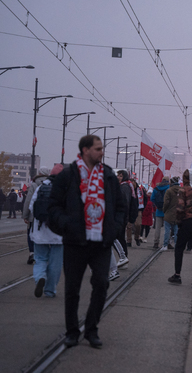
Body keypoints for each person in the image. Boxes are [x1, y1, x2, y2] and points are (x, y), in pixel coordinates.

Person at [48, 135, 126, 349]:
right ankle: (72, 331)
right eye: (97, 148)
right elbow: (53, 206)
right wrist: (66, 224)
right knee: (72, 289)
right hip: (75, 242)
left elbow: (121, 207)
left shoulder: (108, 176)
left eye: (102, 148)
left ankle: (91, 329)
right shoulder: (68, 176)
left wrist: (115, 229)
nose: (101, 152)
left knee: (102, 284)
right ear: (85, 150)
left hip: (101, 242)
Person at [167, 169, 192, 289]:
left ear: (185, 179)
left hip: (187, 222)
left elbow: (179, 208)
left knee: (179, 247)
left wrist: (179, 222)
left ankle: (177, 275)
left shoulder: (182, 190)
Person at [30, 164, 64, 298]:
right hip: (58, 233)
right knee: (56, 263)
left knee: (40, 259)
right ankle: (50, 290)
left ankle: (40, 278)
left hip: (41, 231)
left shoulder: (41, 187)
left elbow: (33, 208)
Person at [23, 167, 51, 264]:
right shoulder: (52, 184)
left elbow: (28, 200)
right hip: (48, 215)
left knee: (30, 233)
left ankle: (32, 252)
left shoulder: (34, 184)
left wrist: (25, 215)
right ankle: (45, 254)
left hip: (33, 214)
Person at [161, 176, 180, 251]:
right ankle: (177, 245)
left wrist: (164, 210)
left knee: (167, 230)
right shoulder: (181, 191)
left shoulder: (169, 191)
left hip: (169, 213)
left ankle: (165, 245)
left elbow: (166, 203)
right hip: (178, 214)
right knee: (176, 231)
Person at [151, 176, 169, 249]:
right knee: (167, 228)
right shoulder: (168, 188)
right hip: (167, 211)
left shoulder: (156, 188)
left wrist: (157, 204)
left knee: (157, 228)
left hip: (158, 211)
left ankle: (156, 242)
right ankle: (167, 243)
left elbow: (152, 198)